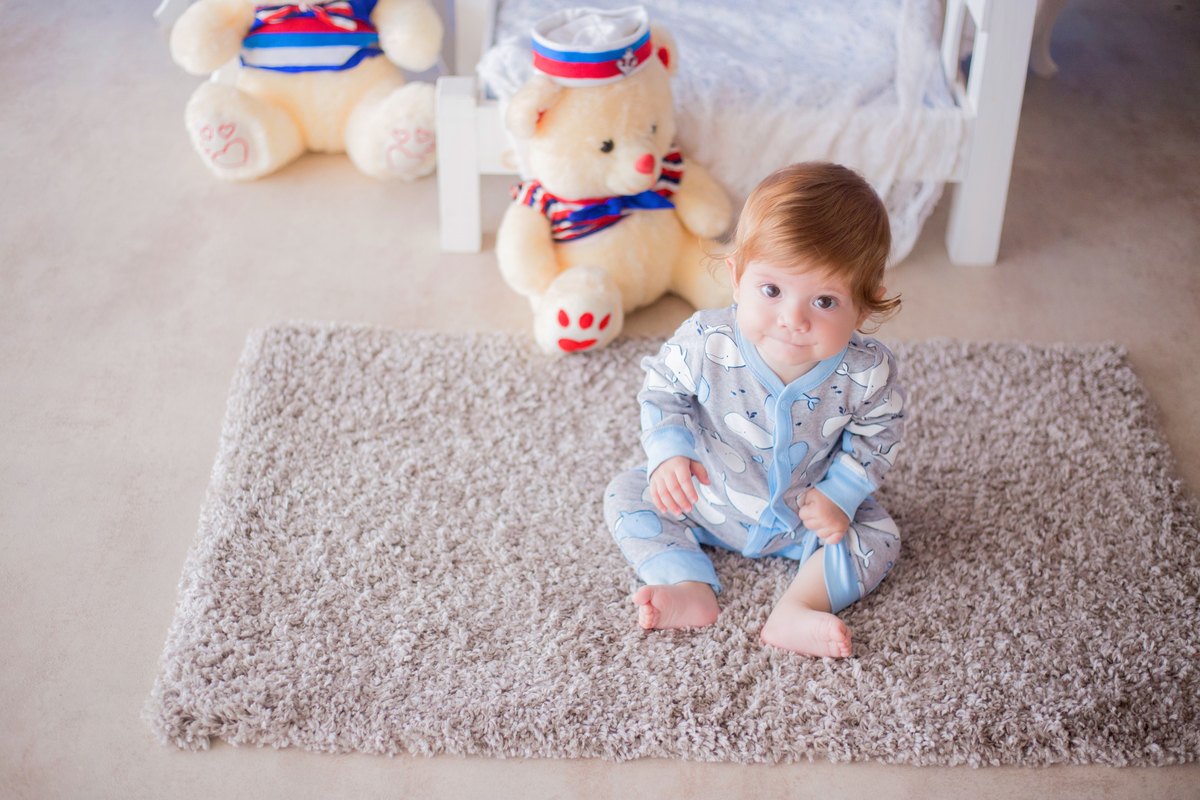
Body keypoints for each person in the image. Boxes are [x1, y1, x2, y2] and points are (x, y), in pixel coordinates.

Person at [603, 162, 905, 658]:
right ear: (736, 277)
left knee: (880, 536)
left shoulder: (866, 372)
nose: (792, 319)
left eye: (825, 301)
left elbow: (880, 433)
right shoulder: (706, 341)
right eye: (772, 291)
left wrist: (841, 495)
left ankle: (800, 606)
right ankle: (688, 585)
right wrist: (670, 453)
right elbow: (662, 390)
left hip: (805, 519)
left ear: (865, 306)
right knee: (626, 494)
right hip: (705, 499)